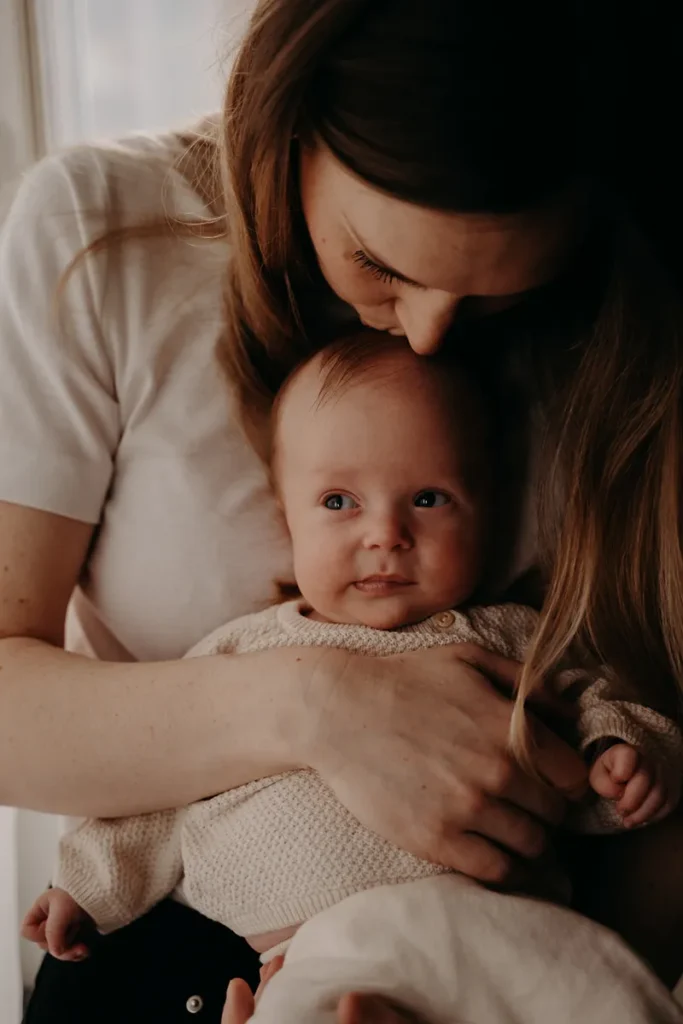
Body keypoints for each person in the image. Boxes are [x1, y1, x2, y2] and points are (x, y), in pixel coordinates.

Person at [0, 1, 679, 1021]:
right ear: (295, 116)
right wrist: (323, 704)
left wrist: (487, 982)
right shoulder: (101, 236)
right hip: (199, 971)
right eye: (384, 265)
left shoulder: (631, 307)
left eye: (495, 297)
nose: (427, 335)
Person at [20, 336, 683, 1024]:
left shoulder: (505, 636)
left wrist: (618, 756)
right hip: (308, 958)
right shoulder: (241, 654)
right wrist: (86, 887)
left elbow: (592, 708)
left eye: (428, 498)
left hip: (492, 935)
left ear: (487, 512)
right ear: (286, 518)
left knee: (600, 995)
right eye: (339, 501)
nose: (385, 533)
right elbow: (160, 800)